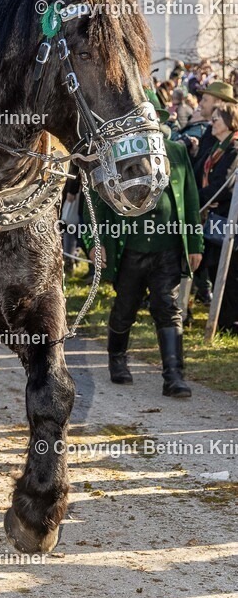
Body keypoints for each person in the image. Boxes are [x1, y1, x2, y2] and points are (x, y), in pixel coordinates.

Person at [87, 93, 203, 398]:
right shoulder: (116, 153)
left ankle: (174, 376)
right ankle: (117, 360)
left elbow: (190, 200)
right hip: (129, 248)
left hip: (167, 246)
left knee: (168, 308)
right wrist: (93, 242)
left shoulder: (176, 152)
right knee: (125, 307)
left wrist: (195, 243)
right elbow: (97, 204)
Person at [197, 105, 238, 332]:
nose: (212, 123)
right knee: (213, 264)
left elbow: (225, 185)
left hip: (227, 216)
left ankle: (228, 322)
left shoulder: (233, 149)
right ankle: (223, 316)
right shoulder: (216, 147)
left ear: (228, 121)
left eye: (216, 119)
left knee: (228, 269)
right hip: (213, 213)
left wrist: (200, 198)